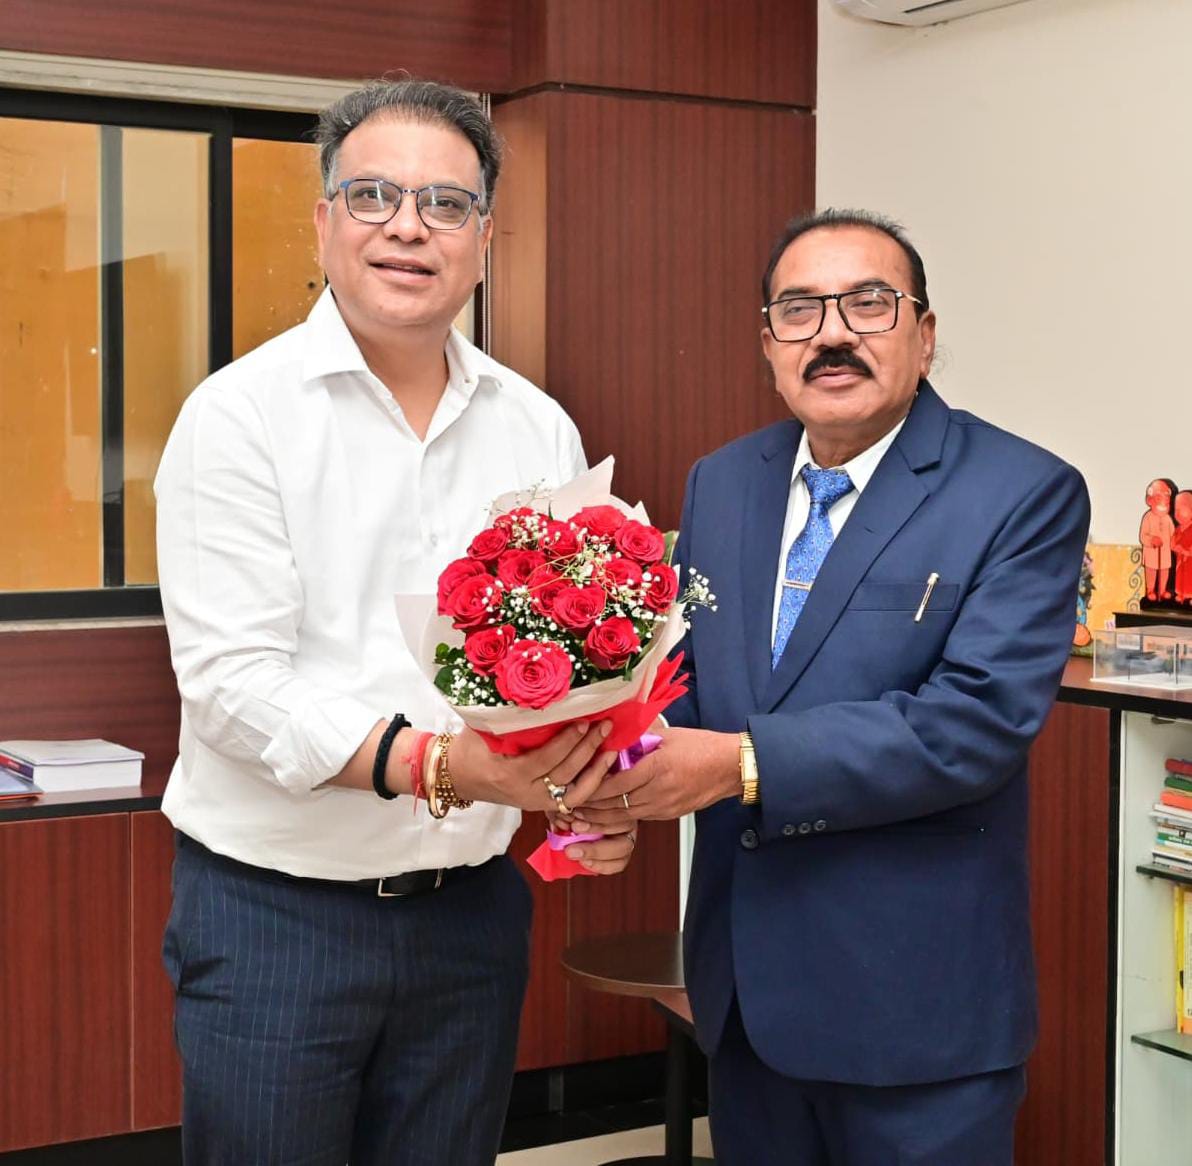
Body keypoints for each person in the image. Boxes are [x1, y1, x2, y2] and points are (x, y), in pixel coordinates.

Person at [154, 78, 632, 1166]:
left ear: (485, 240)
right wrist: (445, 767)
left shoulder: (539, 427)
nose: (408, 227)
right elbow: (233, 688)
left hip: (470, 917)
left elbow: (582, 660)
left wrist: (590, 793)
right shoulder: (239, 416)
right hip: (276, 919)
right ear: (324, 222)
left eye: (446, 204)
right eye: (373, 195)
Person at [576, 209, 1090, 1165]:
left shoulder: (1022, 491)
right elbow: (684, 686)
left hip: (916, 1015)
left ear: (924, 335)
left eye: (868, 304)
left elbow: (973, 724)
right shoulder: (724, 480)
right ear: (768, 344)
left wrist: (739, 764)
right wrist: (612, 787)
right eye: (799, 310)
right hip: (745, 1003)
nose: (833, 334)